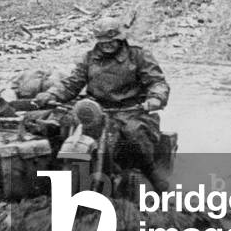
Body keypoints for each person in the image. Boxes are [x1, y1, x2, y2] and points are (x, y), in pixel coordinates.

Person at [34, 16, 170, 191]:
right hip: (94, 109)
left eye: (111, 40)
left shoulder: (138, 55)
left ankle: (152, 173)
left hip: (131, 110)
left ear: (121, 38)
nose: (107, 45)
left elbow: (157, 82)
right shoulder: (89, 58)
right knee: (60, 125)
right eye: (102, 41)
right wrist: (51, 94)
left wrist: (155, 98)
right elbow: (72, 83)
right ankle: (52, 174)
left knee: (134, 134)